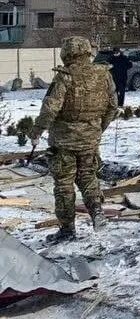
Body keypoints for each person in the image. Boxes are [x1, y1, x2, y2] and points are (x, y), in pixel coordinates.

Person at [29, 37, 117, 243]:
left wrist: (37, 131)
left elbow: (51, 107)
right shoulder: (104, 74)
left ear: (67, 54)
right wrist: (97, 129)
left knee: (64, 185)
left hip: (64, 142)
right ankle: (97, 212)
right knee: (88, 177)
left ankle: (67, 229)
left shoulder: (65, 76)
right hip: (90, 138)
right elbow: (113, 106)